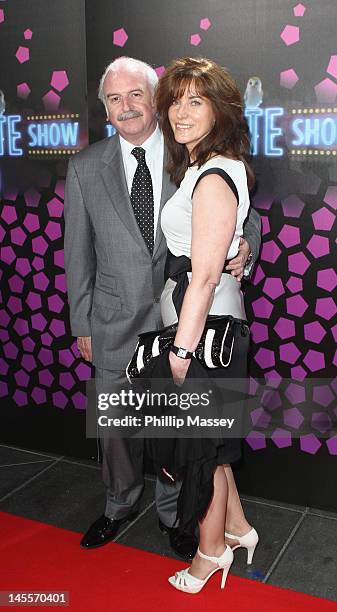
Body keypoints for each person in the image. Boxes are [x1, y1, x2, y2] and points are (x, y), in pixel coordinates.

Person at [64, 57, 261, 560]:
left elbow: (242, 213)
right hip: (112, 321)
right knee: (118, 431)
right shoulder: (85, 167)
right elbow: (77, 253)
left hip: (182, 320)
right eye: (114, 98)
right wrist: (82, 322)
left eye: (136, 95)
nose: (126, 106)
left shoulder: (189, 152)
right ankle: (117, 505)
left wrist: (243, 248)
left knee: (177, 432)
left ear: (156, 100)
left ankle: (176, 516)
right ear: (105, 109)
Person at [147, 56, 259, 593]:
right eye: (175, 99)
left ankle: (210, 553)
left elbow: (206, 276)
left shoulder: (214, 172)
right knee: (208, 445)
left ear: (220, 109)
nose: (180, 111)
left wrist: (182, 351)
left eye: (196, 100)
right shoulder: (200, 165)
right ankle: (237, 529)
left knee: (203, 452)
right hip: (198, 319)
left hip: (205, 326)